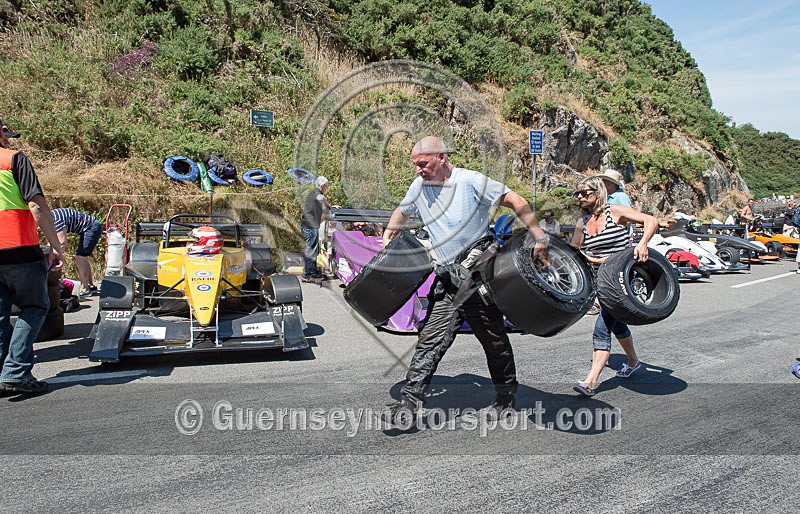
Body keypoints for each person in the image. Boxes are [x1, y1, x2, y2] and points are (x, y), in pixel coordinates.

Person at [381, 136, 550, 424]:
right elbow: (403, 209)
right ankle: (409, 403)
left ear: (441, 158)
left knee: (493, 340)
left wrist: (539, 235)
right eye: (415, 165)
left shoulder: (470, 181)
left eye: (423, 164)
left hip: (477, 273)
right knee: (430, 340)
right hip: (448, 277)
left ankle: (506, 397)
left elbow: (515, 199)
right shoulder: (418, 186)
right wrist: (389, 231)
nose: (418, 170)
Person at [570, 176, 657, 397]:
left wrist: (643, 242)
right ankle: (633, 361)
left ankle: (591, 381)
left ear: (597, 193)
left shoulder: (615, 211)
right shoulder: (582, 223)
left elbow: (651, 221)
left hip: (620, 280)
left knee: (603, 325)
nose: (579, 197)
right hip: (600, 281)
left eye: (584, 192)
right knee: (617, 325)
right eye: (577, 194)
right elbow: (573, 250)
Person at [0, 115, 64, 395]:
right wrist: (56, 245)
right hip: (19, 247)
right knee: (36, 306)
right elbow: (36, 206)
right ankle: (15, 371)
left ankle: (4, 371)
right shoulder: (13, 160)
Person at [50, 207, 103, 297]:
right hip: (88, 228)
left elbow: (62, 242)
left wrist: (55, 256)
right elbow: (52, 240)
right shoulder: (51, 216)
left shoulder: (55, 219)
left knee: (80, 258)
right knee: (82, 257)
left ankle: (85, 289)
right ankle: (91, 285)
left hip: (91, 227)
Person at [300, 176, 332, 283]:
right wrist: (329, 206)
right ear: (322, 186)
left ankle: (312, 272)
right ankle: (307, 275)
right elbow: (320, 198)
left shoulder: (313, 194)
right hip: (309, 226)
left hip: (310, 226)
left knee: (315, 250)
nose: (326, 188)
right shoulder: (316, 193)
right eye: (326, 186)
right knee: (311, 250)